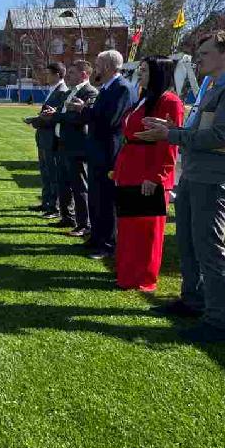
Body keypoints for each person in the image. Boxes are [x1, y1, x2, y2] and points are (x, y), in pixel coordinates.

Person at [138, 30, 225, 343]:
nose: (198, 60)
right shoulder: (213, 85)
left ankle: (217, 323)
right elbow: (200, 130)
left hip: (215, 179)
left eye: (205, 54)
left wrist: (170, 135)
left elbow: (218, 137)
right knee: (188, 244)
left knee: (210, 250)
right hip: (196, 175)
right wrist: (173, 129)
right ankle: (192, 300)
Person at [112, 57, 184, 292]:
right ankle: (126, 273)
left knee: (146, 230)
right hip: (131, 168)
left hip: (147, 173)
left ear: (158, 73)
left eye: (144, 70)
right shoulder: (145, 97)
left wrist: (156, 177)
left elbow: (170, 145)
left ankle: (143, 277)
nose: (139, 74)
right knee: (129, 227)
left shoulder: (170, 101)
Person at [68, 50, 137, 259]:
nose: (95, 69)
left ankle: (107, 243)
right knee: (96, 197)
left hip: (109, 152)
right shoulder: (107, 87)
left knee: (106, 199)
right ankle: (96, 237)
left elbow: (111, 121)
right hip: (98, 150)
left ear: (107, 66)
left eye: (97, 64)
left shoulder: (122, 88)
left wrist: (84, 110)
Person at [51, 60, 99, 237]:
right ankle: (67, 217)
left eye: (71, 72)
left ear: (84, 75)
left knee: (79, 186)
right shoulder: (71, 92)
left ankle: (84, 224)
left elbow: (80, 119)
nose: (68, 75)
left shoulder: (90, 92)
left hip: (77, 147)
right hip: (62, 144)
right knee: (63, 183)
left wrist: (59, 116)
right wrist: (54, 115)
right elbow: (61, 113)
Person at [26, 64, 69, 216]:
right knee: (45, 172)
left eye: (49, 74)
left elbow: (54, 117)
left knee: (53, 173)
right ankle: (46, 203)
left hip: (51, 139)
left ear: (57, 74)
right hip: (44, 138)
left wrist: (35, 121)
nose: (46, 76)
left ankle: (54, 207)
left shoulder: (62, 91)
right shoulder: (54, 89)